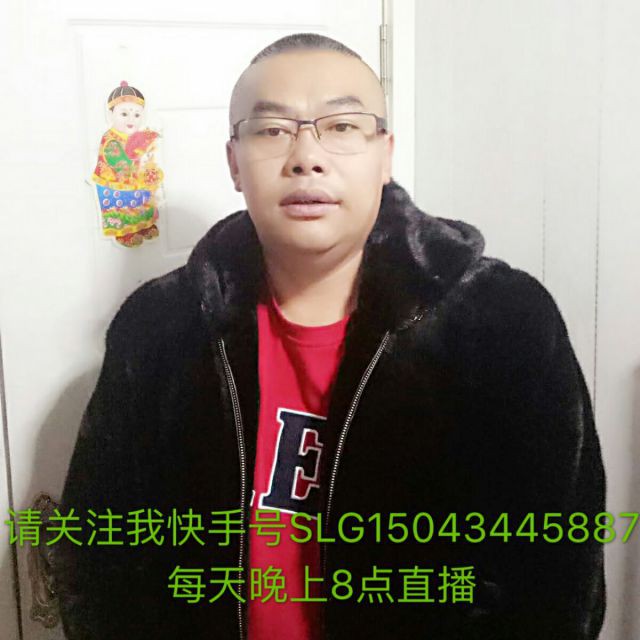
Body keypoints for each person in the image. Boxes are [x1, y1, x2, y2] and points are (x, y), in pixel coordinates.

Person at [53, 33, 606, 639]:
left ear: (384, 154)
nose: (306, 157)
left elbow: (557, 578)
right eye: (272, 130)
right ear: (234, 162)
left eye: (341, 126)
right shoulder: (160, 327)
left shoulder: (502, 322)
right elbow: (99, 556)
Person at [91, 80, 162, 247]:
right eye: (124, 114)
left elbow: (146, 157)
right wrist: (136, 163)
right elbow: (118, 162)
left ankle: (144, 226)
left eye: (137, 115)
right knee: (125, 205)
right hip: (116, 182)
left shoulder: (137, 136)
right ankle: (125, 233)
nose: (131, 119)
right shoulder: (111, 139)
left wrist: (148, 164)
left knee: (143, 201)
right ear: (111, 115)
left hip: (135, 178)